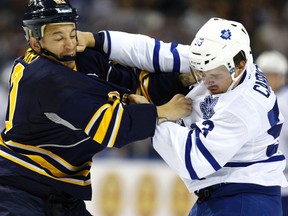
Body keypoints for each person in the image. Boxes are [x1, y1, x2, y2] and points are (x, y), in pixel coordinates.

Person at [0, 0, 193, 215]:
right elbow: (110, 129)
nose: (69, 44)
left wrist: (183, 80)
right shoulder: (43, 76)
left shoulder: (84, 60)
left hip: (63, 194)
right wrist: (162, 112)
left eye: (72, 34)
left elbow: (138, 86)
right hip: (17, 188)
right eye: (58, 37)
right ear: (35, 43)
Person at [149, 18, 288, 215]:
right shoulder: (243, 80)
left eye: (277, 74)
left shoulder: (243, 102)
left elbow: (194, 161)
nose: (273, 77)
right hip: (235, 193)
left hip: (244, 196)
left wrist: (152, 116)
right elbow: (153, 52)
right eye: (271, 72)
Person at [256, 50, 288, 216]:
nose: (270, 79)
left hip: (282, 179)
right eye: (266, 74)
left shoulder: (284, 101)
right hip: (258, 178)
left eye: (274, 75)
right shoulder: (250, 100)